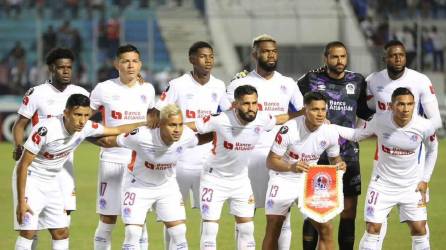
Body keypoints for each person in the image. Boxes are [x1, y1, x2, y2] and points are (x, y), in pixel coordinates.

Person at [13, 94, 146, 250]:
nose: (82, 120)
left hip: (52, 182)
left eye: (85, 115)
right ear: (66, 113)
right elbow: (23, 165)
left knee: (61, 232)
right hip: (31, 180)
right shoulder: (46, 129)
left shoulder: (86, 127)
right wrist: (21, 201)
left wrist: (145, 123)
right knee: (28, 232)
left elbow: (116, 129)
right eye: (77, 115)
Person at [186, 85, 297, 250]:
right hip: (214, 179)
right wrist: (163, 127)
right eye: (246, 104)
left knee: (247, 228)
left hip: (240, 180)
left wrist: (305, 114)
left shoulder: (261, 118)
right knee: (210, 228)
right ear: (236, 104)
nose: (251, 108)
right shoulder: (220, 119)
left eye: (254, 103)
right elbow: (190, 126)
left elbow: (281, 118)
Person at [94, 104, 209, 250]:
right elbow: (109, 141)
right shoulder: (142, 135)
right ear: (160, 124)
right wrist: (80, 136)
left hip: (167, 187)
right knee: (133, 233)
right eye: (172, 125)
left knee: (179, 232)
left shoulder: (186, 135)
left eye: (180, 125)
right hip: (138, 186)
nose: (177, 130)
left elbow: (204, 138)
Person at [335, 88, 438, 250]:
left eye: (410, 104)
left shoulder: (424, 126)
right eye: (401, 104)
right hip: (382, 185)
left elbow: (433, 150)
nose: (406, 109)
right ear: (391, 105)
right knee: (372, 229)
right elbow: (356, 135)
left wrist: (425, 179)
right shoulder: (380, 121)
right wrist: (329, 127)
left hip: (411, 186)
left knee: (419, 229)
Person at [227, 34, 304, 249]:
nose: (271, 55)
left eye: (274, 51)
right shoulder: (241, 83)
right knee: (244, 218)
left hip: (279, 157)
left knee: (282, 217)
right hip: (247, 157)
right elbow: (225, 114)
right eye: (265, 51)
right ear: (255, 54)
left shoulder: (287, 83)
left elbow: (302, 113)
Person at [296, 41, 374, 250]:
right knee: (315, 211)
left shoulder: (357, 81)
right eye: (334, 57)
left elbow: (364, 112)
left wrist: (383, 120)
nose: (339, 61)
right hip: (317, 156)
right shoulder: (311, 79)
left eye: (343, 57)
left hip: (348, 155)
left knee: (349, 212)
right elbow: (294, 105)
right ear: (326, 58)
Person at [366, 40, 442, 248]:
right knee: (377, 218)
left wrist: (409, 129)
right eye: (393, 55)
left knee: (418, 224)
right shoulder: (373, 80)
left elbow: (435, 121)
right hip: (382, 152)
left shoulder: (420, 80)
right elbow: (363, 109)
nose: (398, 59)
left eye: (402, 55)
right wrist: (377, 127)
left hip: (411, 155)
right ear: (385, 58)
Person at [12, 47, 89, 249]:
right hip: (39, 162)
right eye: (61, 67)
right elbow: (19, 124)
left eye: (69, 67)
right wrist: (18, 145)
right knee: (31, 224)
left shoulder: (80, 93)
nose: (66, 71)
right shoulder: (37, 93)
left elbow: (91, 120)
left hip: (65, 165)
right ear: (51, 69)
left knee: (64, 220)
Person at [90, 44, 156, 250]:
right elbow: (83, 120)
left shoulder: (148, 89)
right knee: (108, 219)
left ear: (140, 64)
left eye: (134, 61)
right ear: (116, 64)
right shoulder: (104, 89)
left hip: (140, 163)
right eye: (126, 61)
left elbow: (153, 121)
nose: (130, 65)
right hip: (112, 160)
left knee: (139, 221)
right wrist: (98, 139)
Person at [262, 91, 347, 250]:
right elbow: (271, 161)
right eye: (315, 109)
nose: (320, 114)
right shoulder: (289, 129)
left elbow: (334, 158)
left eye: (323, 109)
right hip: (283, 178)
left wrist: (340, 164)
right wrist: (291, 167)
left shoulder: (330, 132)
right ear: (305, 110)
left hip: (309, 181)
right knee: (274, 226)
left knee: (325, 227)